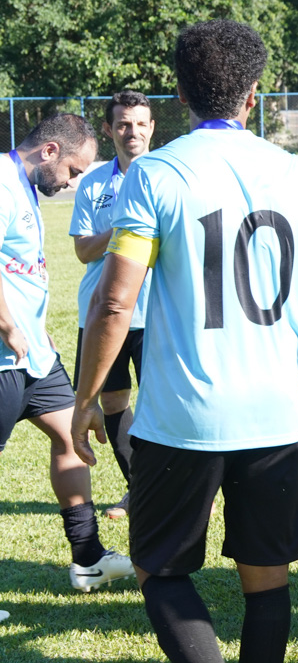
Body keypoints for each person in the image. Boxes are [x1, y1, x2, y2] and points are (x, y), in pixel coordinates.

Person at [72, 20, 298, 663]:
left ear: (179, 94)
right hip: (274, 412)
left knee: (157, 567)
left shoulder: (155, 173)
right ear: (254, 94)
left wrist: (86, 398)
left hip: (181, 418)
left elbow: (114, 301)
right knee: (267, 579)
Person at [1, 113, 132, 599]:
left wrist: (35, 331)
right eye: (73, 171)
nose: (74, 182)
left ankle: (89, 558)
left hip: (34, 356)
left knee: (73, 436)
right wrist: (8, 325)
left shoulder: (24, 188)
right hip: (4, 354)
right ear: (50, 151)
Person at [70, 90, 156, 520]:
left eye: (140, 123)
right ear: (108, 129)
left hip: (157, 312)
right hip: (103, 313)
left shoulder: (166, 176)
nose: (132, 131)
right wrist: (126, 230)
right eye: (123, 123)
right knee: (113, 401)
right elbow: (84, 250)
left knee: (164, 404)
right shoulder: (93, 183)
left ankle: (178, 489)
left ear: (152, 127)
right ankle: (140, 491)